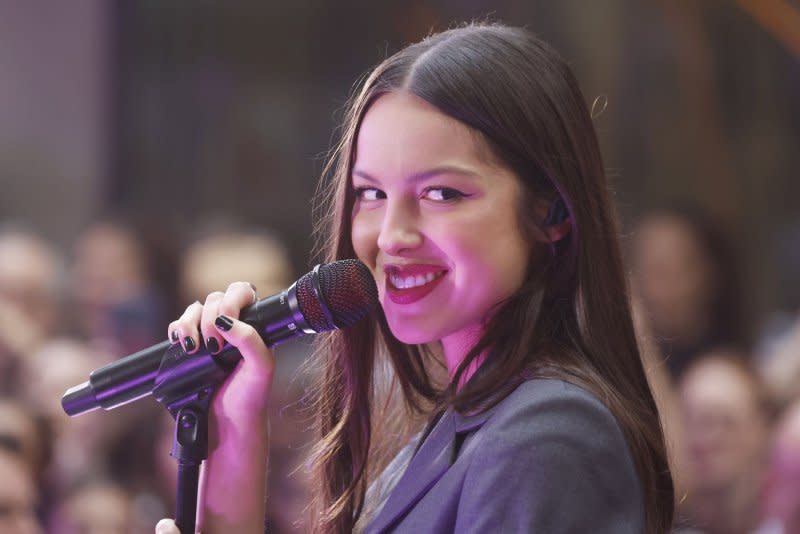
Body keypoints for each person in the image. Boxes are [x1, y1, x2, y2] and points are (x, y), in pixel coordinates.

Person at [156, 23, 674, 533]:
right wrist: (235, 420)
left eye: (442, 194)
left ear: (553, 213)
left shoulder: (546, 437)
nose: (391, 236)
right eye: (372, 194)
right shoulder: (464, 424)